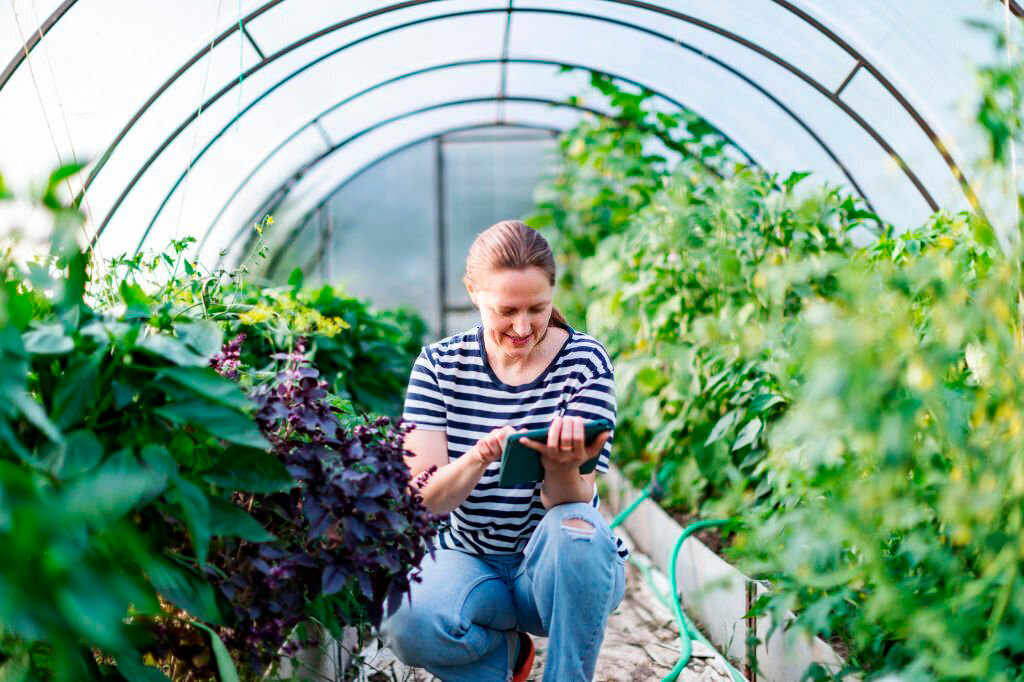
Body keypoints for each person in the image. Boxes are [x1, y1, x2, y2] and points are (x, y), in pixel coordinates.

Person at [379, 220, 627, 682]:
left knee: (580, 532)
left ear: (554, 293)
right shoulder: (438, 366)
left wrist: (562, 464)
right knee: (406, 624)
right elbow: (424, 501)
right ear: (473, 292)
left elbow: (570, 502)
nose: (523, 326)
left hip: (555, 575)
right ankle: (506, 659)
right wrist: (476, 458)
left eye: (538, 308)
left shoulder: (584, 361)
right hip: (472, 561)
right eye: (506, 309)